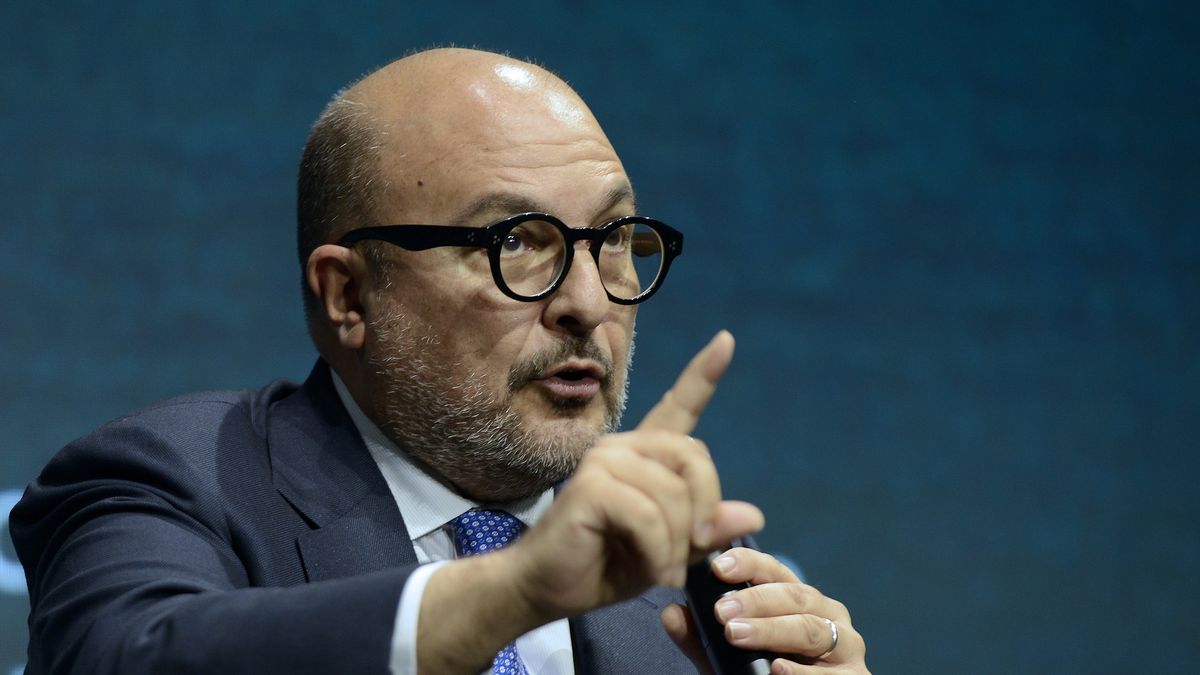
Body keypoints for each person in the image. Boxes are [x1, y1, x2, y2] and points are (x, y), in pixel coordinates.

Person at [11, 48, 870, 674]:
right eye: (516, 243)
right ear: (348, 295)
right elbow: (127, 657)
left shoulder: (687, 580)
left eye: (611, 240)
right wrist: (514, 589)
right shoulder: (164, 481)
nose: (589, 301)